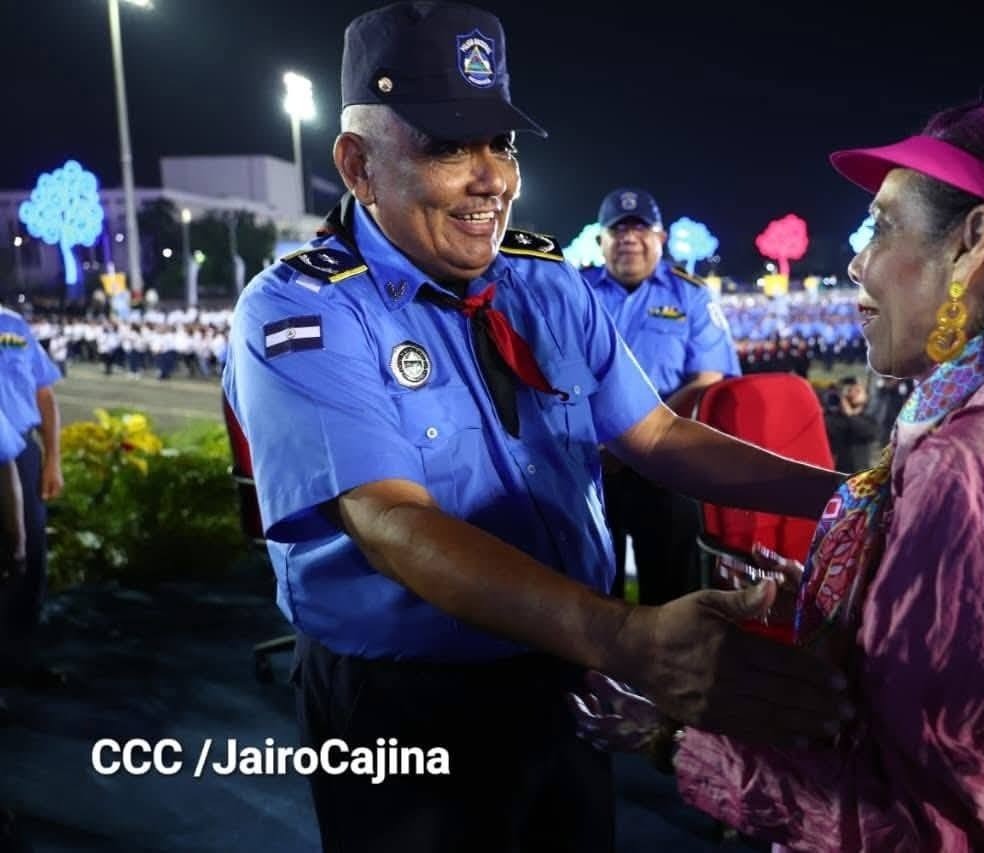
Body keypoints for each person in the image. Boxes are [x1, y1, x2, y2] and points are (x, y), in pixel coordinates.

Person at [222, 3, 849, 851]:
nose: (492, 179)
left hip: (563, 670)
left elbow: (657, 437)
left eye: (501, 143)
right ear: (359, 166)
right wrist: (630, 636)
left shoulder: (542, 282)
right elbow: (396, 525)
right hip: (404, 701)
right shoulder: (303, 310)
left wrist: (852, 501)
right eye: (449, 146)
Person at [571, 92, 984, 851]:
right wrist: (855, 602)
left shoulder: (968, 467)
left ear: (973, 240)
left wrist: (674, 735)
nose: (857, 259)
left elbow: (911, 826)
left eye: (882, 227)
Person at [582, 188, 742, 603]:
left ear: (662, 238)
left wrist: (632, 440)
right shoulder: (576, 292)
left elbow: (708, 379)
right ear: (600, 239)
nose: (629, 238)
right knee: (593, 593)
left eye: (640, 229)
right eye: (617, 230)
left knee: (673, 593)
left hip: (668, 469)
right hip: (589, 468)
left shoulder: (690, 295)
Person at [0, 302, 63, 689]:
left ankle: (19, 661)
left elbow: (44, 395)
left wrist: (52, 459)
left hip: (21, 453)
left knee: (29, 562)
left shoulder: (13, 325)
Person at [822, 377, 878, 472]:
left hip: (859, 474)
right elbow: (829, 429)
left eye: (858, 390)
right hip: (838, 472)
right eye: (850, 390)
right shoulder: (835, 417)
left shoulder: (868, 418)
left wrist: (850, 414)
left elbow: (869, 432)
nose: (854, 393)